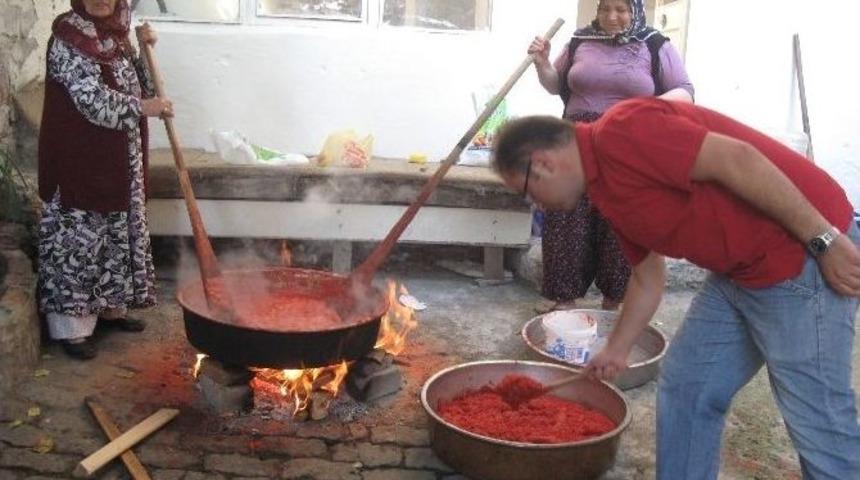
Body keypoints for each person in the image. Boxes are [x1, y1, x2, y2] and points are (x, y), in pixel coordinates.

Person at [491, 98, 860, 479]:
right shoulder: (602, 188)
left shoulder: (622, 133)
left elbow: (738, 159)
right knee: (687, 387)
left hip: (800, 256)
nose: (538, 206)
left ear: (544, 165)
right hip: (739, 271)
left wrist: (823, 239)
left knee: (818, 418)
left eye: (529, 195)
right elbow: (648, 277)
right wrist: (615, 348)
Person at [528, 0, 694, 313]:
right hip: (575, 142)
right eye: (605, 8)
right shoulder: (581, 41)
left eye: (621, 9)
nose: (612, 16)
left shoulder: (654, 44)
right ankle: (564, 299)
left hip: (628, 144)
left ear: (636, 11)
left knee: (621, 219)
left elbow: (684, 90)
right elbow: (555, 85)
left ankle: (615, 301)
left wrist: (646, 110)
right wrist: (542, 63)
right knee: (566, 215)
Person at [37, 0, 172, 360]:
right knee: (81, 238)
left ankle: (110, 310)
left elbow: (139, 85)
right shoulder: (69, 37)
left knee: (114, 231)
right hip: (79, 158)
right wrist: (144, 109)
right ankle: (72, 330)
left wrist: (146, 50)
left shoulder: (116, 35)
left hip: (117, 159)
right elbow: (91, 99)